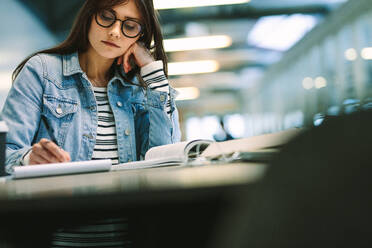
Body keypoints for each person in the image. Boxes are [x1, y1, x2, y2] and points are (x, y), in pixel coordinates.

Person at [1, 0, 181, 246]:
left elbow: (166, 162)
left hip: (130, 238)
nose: (115, 31)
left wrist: (152, 71)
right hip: (58, 238)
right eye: (107, 16)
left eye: (130, 26)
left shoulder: (140, 89)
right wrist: (30, 158)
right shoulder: (42, 72)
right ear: (90, 14)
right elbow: (6, 154)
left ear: (139, 36)